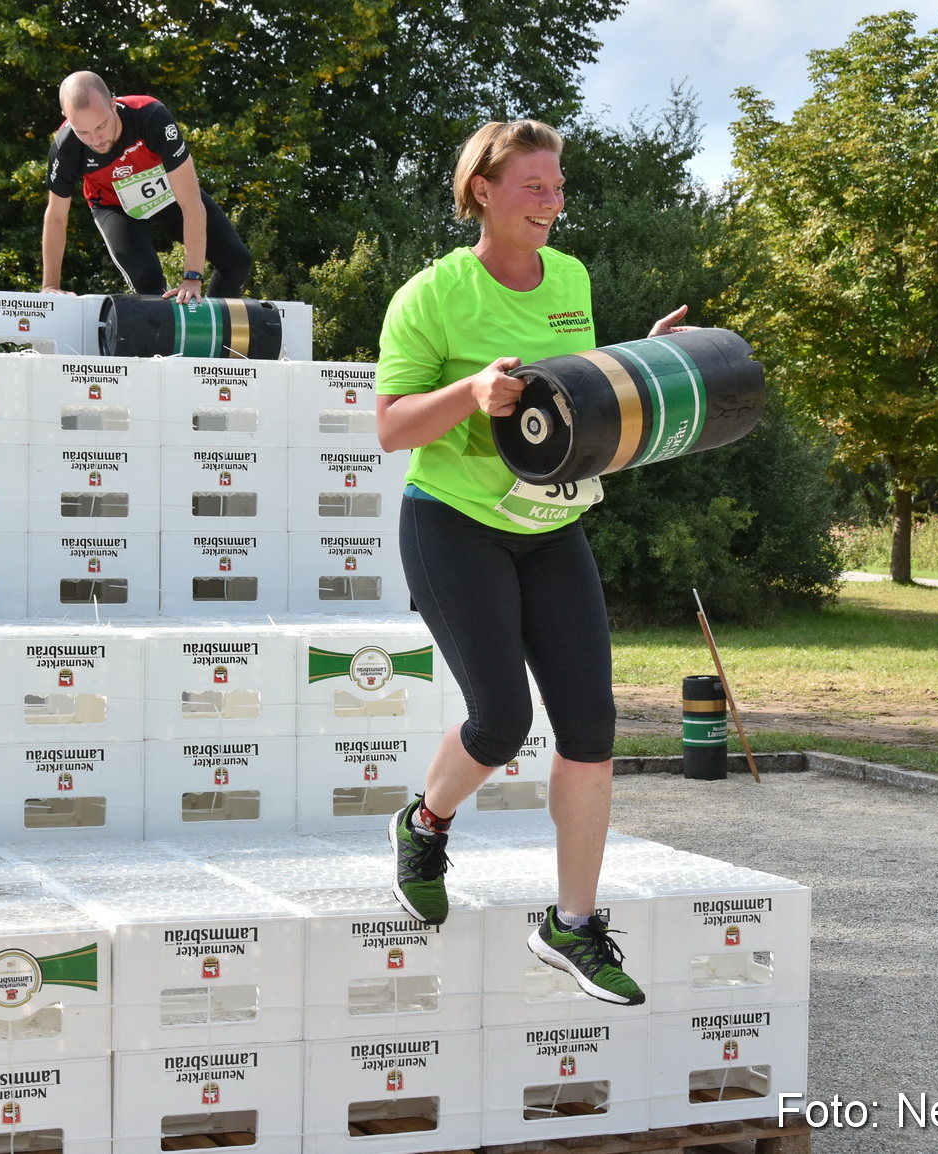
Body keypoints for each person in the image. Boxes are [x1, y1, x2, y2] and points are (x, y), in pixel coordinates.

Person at [376, 119, 691, 1007]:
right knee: (502, 722)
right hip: (454, 523)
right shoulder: (432, 296)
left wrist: (645, 359)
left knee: (592, 729)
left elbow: (572, 399)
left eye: (557, 187)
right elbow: (392, 426)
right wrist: (469, 393)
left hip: (553, 526)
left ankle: (573, 926)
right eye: (534, 188)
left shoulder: (572, 278)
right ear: (483, 190)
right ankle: (425, 820)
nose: (553, 203)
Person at [41, 71, 253, 300]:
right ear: (66, 118)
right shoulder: (66, 147)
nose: (96, 140)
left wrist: (192, 278)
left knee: (237, 262)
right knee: (147, 280)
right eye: (83, 132)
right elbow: (57, 217)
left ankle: (212, 329)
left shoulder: (151, 116)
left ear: (113, 104)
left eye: (101, 126)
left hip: (169, 193)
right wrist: (50, 286)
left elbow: (191, 203)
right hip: (116, 207)